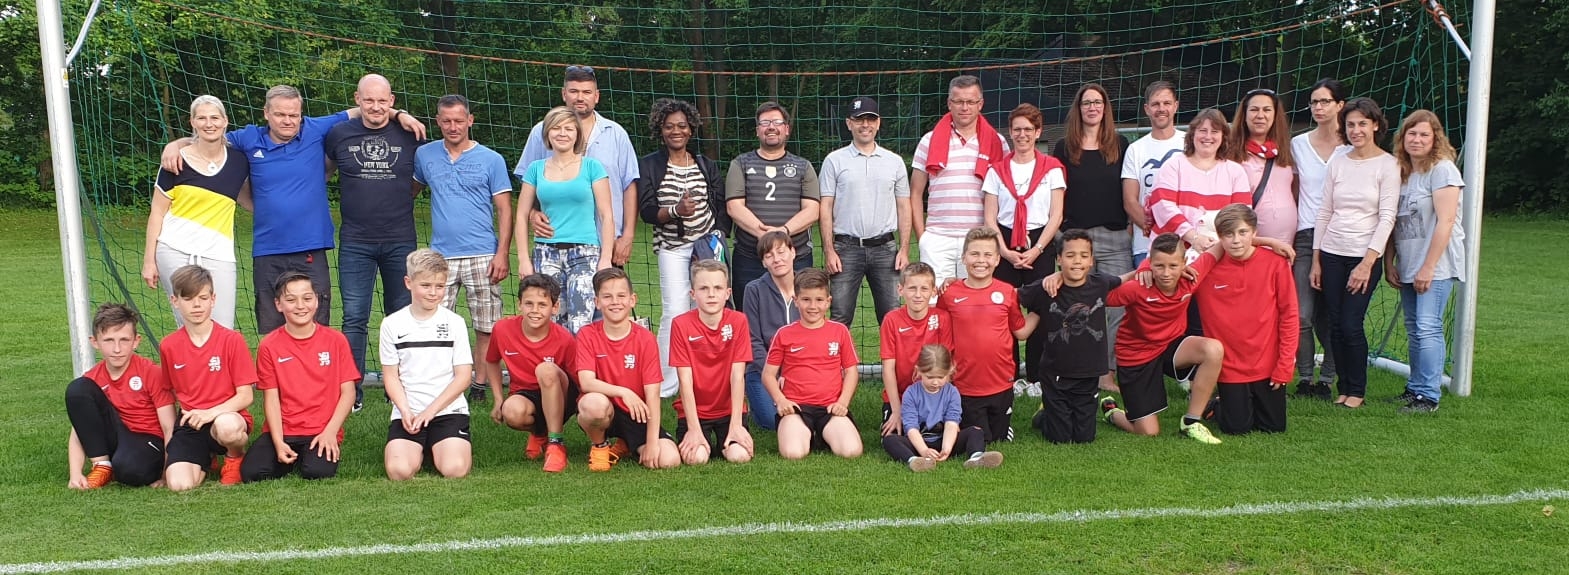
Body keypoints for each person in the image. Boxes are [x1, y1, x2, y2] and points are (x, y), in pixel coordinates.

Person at [159, 85, 426, 335]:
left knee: (316, 324)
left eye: (294, 115)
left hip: (311, 247)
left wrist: (399, 114)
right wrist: (176, 145)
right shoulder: (249, 138)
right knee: (272, 327)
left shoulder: (315, 129)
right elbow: (211, 135)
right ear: (266, 113)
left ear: (301, 115)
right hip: (268, 250)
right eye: (280, 115)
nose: (288, 121)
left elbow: (362, 109)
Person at [325, 74, 421, 411]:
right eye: (369, 100)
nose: (376, 107)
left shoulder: (410, 134)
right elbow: (322, 172)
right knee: (354, 317)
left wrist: (401, 116)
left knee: (401, 315)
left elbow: (422, 178)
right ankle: (352, 392)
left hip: (400, 239)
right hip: (355, 241)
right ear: (358, 99)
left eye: (383, 101)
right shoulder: (339, 134)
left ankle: (402, 389)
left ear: (392, 100)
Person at [414, 94, 513, 404]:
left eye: (459, 120)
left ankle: (480, 385)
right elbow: (407, 192)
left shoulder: (491, 159)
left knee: (486, 324)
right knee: (437, 323)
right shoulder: (425, 155)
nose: (453, 126)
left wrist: (502, 253)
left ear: (470, 120)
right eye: (446, 121)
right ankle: (443, 382)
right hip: (440, 256)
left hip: (483, 253)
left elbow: (505, 209)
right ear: (438, 122)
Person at [637, 98, 729, 398]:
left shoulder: (704, 164)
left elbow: (720, 203)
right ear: (660, 130)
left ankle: (703, 377)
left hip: (706, 246)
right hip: (672, 248)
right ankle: (666, 384)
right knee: (675, 311)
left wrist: (719, 235)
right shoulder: (650, 165)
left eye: (681, 126)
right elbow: (647, 211)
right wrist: (676, 211)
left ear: (691, 129)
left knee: (706, 308)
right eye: (669, 126)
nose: (676, 131)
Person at [1312, 97, 1399, 409]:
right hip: (1332, 252)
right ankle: (1344, 388)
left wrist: (1367, 263)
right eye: (1350, 124)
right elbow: (1325, 211)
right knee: (1335, 324)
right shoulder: (1338, 161)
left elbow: (1387, 217)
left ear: (1375, 125)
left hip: (1364, 256)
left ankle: (1358, 390)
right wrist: (1317, 259)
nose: (1356, 130)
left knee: (1351, 323)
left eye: (1363, 123)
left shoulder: (1388, 165)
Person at [1099, 233, 1227, 444]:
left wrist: (1270, 242)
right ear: (1150, 263)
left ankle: (1191, 422)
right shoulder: (1137, 288)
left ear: (1184, 263)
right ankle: (1112, 412)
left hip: (1170, 346)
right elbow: (1093, 293)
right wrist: (1060, 277)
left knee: (1213, 349)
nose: (1166, 273)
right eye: (1159, 266)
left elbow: (1222, 245)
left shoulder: (1191, 278)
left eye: (1173, 266)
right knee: (1148, 432)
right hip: (1136, 356)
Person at [516, 65, 640, 269]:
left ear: (596, 96)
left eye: (586, 92)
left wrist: (627, 236)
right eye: (574, 91)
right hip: (555, 241)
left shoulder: (616, 134)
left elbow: (629, 186)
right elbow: (529, 183)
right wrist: (532, 213)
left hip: (608, 242)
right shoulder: (541, 131)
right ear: (564, 94)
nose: (580, 98)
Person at [143, 95, 249, 330]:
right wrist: (149, 261)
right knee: (189, 324)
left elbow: (249, 199)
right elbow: (157, 212)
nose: (209, 124)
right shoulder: (174, 161)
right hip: (174, 250)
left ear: (225, 121)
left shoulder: (239, 161)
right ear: (192, 122)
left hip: (219, 253)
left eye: (214, 118)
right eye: (201, 118)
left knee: (222, 328)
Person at [240, 272, 359, 482]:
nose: (300, 306)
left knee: (316, 472)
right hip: (285, 429)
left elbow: (348, 393)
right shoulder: (269, 345)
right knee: (252, 473)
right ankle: (288, 454)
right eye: (291, 300)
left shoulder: (336, 341)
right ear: (278, 304)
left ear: (316, 301)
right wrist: (278, 442)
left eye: (307, 298)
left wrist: (331, 432)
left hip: (321, 429)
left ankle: (306, 456)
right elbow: (271, 399)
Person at [1053, 83, 1133, 393]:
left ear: (1105, 108)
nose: (1092, 107)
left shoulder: (1120, 144)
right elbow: (1055, 193)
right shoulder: (1064, 147)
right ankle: (1074, 369)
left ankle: (1106, 373)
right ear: (1078, 108)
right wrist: (1060, 236)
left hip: (1114, 237)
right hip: (1076, 238)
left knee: (1115, 307)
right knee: (1075, 306)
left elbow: (1128, 189)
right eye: (1086, 102)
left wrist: (1130, 224)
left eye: (1097, 102)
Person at [982, 103, 1066, 394]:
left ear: (1038, 132)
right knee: (1004, 309)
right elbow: (990, 216)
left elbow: (1056, 214)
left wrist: (1038, 249)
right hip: (1004, 242)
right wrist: (1004, 251)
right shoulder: (996, 170)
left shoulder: (1052, 168)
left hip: (1039, 242)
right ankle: (1009, 375)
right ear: (1010, 132)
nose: (1022, 135)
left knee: (1041, 308)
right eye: (1017, 129)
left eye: (1028, 129)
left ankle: (1036, 376)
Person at [1385, 110, 1465, 414]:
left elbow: (1446, 221)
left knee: (1428, 326)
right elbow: (1393, 222)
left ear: (1435, 139)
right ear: (1402, 137)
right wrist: (1389, 262)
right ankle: (1415, 387)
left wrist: (1429, 266)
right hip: (1409, 262)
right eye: (1412, 133)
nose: (1416, 140)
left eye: (1424, 135)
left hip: (1436, 264)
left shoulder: (1442, 170)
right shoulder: (1403, 173)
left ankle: (1429, 396)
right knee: (1413, 327)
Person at [1149, 108, 1252, 336]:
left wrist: (1217, 245)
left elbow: (1241, 214)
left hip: (1219, 257)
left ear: (1223, 136)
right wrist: (1192, 237)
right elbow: (1163, 205)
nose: (1208, 136)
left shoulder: (1234, 171)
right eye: (1202, 130)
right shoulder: (1174, 165)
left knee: (1214, 320)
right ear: (1192, 134)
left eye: (1215, 131)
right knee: (1176, 320)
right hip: (1177, 259)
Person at [1197, 205, 1298, 435]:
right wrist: (1144, 270)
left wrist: (1284, 366)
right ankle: (1215, 405)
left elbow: (1289, 316)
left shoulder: (1275, 263)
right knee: (1236, 428)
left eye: (1243, 232)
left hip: (1267, 363)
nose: (1236, 240)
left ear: (1254, 232)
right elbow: (1171, 270)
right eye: (1228, 234)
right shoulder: (1208, 268)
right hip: (1230, 366)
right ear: (1219, 236)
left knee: (1273, 427)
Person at [515, 105, 615, 335]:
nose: (562, 133)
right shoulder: (535, 169)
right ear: (547, 133)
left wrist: (606, 258)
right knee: (550, 320)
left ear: (577, 134)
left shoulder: (592, 167)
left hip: (585, 253)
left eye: (569, 129)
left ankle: (581, 360)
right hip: (546, 252)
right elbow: (521, 215)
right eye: (556, 128)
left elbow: (606, 215)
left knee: (581, 321)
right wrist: (523, 259)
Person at [1020, 229, 1124, 444]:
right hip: (1055, 373)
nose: (1077, 261)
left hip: (1089, 373)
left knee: (1085, 438)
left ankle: (1061, 412)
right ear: (1059, 259)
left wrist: (1146, 271)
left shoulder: (1100, 283)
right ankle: (1044, 415)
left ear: (1092, 260)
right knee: (1060, 438)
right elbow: (1011, 295)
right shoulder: (1046, 288)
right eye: (1070, 255)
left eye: (1084, 256)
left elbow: (1125, 278)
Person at [159, 265, 257, 491]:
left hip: (226, 416)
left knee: (227, 428)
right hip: (191, 422)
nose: (197, 305)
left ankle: (234, 456)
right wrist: (170, 446)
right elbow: (169, 392)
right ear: (175, 301)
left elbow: (246, 396)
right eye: (188, 298)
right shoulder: (168, 346)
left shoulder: (232, 340)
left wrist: (210, 413)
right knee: (179, 485)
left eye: (203, 298)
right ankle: (206, 456)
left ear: (213, 299)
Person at [574, 268, 682, 471]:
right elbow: (586, 382)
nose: (615, 302)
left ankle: (626, 444)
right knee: (593, 405)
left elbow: (653, 394)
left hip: (636, 413)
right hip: (604, 410)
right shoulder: (587, 335)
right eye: (607, 296)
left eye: (621, 296)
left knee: (669, 460)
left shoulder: (645, 338)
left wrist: (652, 443)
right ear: (597, 302)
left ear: (632, 300)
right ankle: (600, 446)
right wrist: (624, 392)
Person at [380, 249, 474, 480]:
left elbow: (463, 376)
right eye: (425, 286)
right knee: (399, 471)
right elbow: (390, 376)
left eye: (439, 286)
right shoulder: (391, 324)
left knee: (454, 469)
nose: (433, 293)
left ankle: (438, 446)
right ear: (408, 283)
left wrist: (429, 412)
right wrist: (405, 411)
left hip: (448, 411)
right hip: (409, 413)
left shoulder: (455, 323)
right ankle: (422, 447)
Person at [819, 96, 912, 328]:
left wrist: (904, 249)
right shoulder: (834, 161)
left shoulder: (894, 162)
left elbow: (904, 207)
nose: (865, 125)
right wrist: (829, 250)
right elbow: (825, 207)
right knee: (840, 318)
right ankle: (837, 355)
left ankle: (892, 356)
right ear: (849, 123)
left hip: (885, 249)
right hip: (846, 249)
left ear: (878, 123)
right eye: (859, 120)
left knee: (892, 318)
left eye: (870, 119)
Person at [64, 303, 175, 489]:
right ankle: (102, 465)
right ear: (95, 342)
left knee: (130, 470)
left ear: (136, 341)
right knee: (78, 389)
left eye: (124, 340)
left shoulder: (152, 373)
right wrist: (75, 474)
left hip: (148, 441)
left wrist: (167, 474)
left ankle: (120, 465)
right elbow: (79, 429)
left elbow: (169, 427)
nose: (117, 349)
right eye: (108, 340)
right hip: (118, 436)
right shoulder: (92, 378)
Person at [912, 75, 1009, 284]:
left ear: (980, 104)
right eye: (958, 101)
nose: (965, 107)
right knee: (935, 299)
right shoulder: (929, 140)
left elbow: (1006, 194)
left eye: (971, 102)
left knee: (973, 300)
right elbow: (915, 193)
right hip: (938, 237)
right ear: (949, 103)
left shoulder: (998, 143)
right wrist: (923, 238)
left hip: (978, 238)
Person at [937, 227, 1030, 443]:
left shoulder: (1007, 291)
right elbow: (940, 335)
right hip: (965, 384)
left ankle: (1003, 425)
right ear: (964, 258)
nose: (981, 260)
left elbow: (1020, 331)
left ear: (997, 259)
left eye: (988, 254)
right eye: (974, 254)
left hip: (1001, 381)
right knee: (980, 438)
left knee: (998, 438)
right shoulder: (949, 294)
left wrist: (1043, 310)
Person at [1289, 78, 1350, 400]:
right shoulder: (1298, 144)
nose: (1319, 107)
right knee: (1302, 313)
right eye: (1314, 102)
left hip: (1342, 238)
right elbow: (1293, 190)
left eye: (1325, 101)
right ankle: (1305, 378)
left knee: (1334, 315)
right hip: (1305, 235)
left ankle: (1327, 379)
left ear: (1340, 105)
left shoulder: (1352, 144)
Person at [726, 102, 820, 309]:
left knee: (799, 314)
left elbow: (813, 210)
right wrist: (766, 237)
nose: (771, 127)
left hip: (797, 257)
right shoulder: (740, 164)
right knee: (749, 315)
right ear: (757, 130)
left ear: (786, 129)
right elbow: (734, 207)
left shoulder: (803, 166)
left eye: (777, 122)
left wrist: (782, 233)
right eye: (765, 123)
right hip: (750, 258)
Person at [763, 268, 864, 460]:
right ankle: (805, 433)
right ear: (796, 300)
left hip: (830, 407)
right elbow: (768, 375)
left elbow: (851, 372)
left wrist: (843, 402)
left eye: (819, 300)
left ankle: (822, 433)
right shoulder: (784, 334)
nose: (813, 306)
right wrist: (781, 400)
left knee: (851, 451)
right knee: (793, 453)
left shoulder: (840, 331)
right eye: (806, 299)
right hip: (797, 408)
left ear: (828, 302)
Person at [486, 274, 578, 472]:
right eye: (529, 303)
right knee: (512, 412)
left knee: (546, 370)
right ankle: (539, 433)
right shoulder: (502, 329)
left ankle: (556, 444)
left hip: (560, 394)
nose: (535, 310)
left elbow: (578, 380)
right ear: (519, 304)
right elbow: (492, 361)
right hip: (526, 394)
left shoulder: (565, 339)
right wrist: (498, 399)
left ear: (555, 307)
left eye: (542, 305)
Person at [669, 260, 755, 465]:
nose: (711, 294)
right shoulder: (680, 324)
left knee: (739, 456)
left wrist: (736, 424)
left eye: (717, 288)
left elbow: (737, 376)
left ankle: (729, 434)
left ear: (727, 293)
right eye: (703, 288)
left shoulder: (739, 321)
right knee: (696, 458)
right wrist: (693, 429)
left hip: (728, 411)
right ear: (693, 294)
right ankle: (700, 437)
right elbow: (685, 381)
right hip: (696, 412)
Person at [882, 344, 1004, 472]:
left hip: (945, 439)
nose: (935, 382)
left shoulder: (952, 392)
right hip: (919, 442)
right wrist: (924, 451)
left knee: (976, 431)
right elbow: (911, 428)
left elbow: (952, 422)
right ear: (919, 371)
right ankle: (915, 461)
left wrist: (947, 448)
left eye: (940, 377)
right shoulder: (911, 393)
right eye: (930, 377)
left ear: (949, 372)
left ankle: (976, 457)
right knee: (890, 440)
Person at [877, 262, 952, 437]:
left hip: (933, 391)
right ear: (900, 290)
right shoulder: (891, 320)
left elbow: (946, 365)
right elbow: (888, 369)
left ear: (933, 291)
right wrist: (897, 410)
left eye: (924, 289)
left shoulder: (942, 318)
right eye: (912, 288)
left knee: (939, 436)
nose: (918, 295)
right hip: (901, 396)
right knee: (892, 438)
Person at [741, 230, 802, 431]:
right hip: (763, 370)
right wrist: (774, 373)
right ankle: (756, 404)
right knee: (773, 420)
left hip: (800, 369)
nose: (776, 259)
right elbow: (753, 341)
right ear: (763, 262)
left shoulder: (807, 287)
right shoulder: (754, 290)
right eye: (769, 255)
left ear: (793, 252)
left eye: (781, 252)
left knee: (807, 414)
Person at [1123, 81, 1186, 266]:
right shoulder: (1135, 149)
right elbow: (1130, 201)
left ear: (1176, 106)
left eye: (1167, 103)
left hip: (1187, 243)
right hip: (1147, 246)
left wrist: (1183, 233)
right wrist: (1158, 233)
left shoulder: (1190, 144)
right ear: (1147, 109)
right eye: (1155, 104)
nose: (1161, 109)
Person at [1230, 88, 1297, 244]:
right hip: (1249, 244)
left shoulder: (1285, 151)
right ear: (1244, 115)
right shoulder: (1231, 155)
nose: (1260, 115)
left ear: (1275, 115)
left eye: (1267, 110)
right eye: (1254, 110)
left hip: (1287, 243)